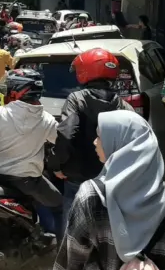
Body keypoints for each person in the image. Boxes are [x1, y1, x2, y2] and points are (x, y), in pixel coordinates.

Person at [53, 111, 165, 270]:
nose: (95, 142)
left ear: (122, 145)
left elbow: (70, 264)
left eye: (100, 137)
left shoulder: (92, 197)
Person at [47, 48, 132, 241]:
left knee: (72, 230)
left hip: (78, 177)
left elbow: (66, 134)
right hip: (110, 179)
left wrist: (56, 165)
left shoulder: (76, 99)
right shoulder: (124, 104)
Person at [0, 69, 61, 235]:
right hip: (29, 181)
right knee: (58, 203)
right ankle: (54, 242)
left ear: (18, 90)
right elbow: (59, 143)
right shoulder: (47, 119)